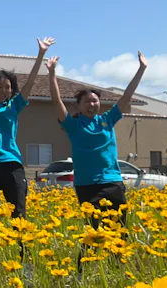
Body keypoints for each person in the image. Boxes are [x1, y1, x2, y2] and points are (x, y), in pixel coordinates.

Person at [46, 52, 148, 273]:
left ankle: (118, 271)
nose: (92, 103)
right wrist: (52, 74)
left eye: (95, 100)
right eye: (87, 101)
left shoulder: (107, 120)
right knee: (91, 231)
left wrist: (141, 69)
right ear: (79, 106)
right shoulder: (73, 125)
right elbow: (56, 101)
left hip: (113, 182)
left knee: (119, 231)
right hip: (87, 185)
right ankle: (81, 273)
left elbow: (126, 97)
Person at [0, 36, 56, 248]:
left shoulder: (15, 105)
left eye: (7, 87)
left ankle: (23, 261)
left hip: (12, 165)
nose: (3, 90)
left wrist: (41, 55)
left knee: (19, 214)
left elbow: (31, 82)